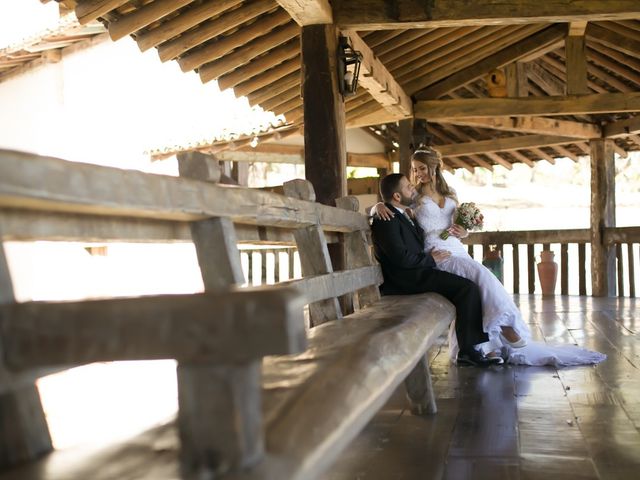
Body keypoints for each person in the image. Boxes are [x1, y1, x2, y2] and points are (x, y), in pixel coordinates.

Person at [374, 147, 606, 367]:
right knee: (481, 277)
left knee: (481, 286)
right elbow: (394, 206)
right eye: (414, 169)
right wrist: (377, 206)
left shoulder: (449, 193)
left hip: (456, 248)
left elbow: (460, 226)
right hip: (437, 252)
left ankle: (487, 347)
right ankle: (505, 326)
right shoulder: (413, 196)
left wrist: (464, 230)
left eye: (421, 168)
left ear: (433, 167)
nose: (417, 173)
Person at [371, 173, 503, 366]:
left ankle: (471, 349)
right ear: (397, 196)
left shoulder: (404, 215)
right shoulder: (386, 218)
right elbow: (400, 258)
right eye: (408, 187)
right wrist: (430, 259)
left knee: (469, 286)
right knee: (467, 289)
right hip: (406, 279)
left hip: (417, 272)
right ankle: (468, 351)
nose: (413, 188)